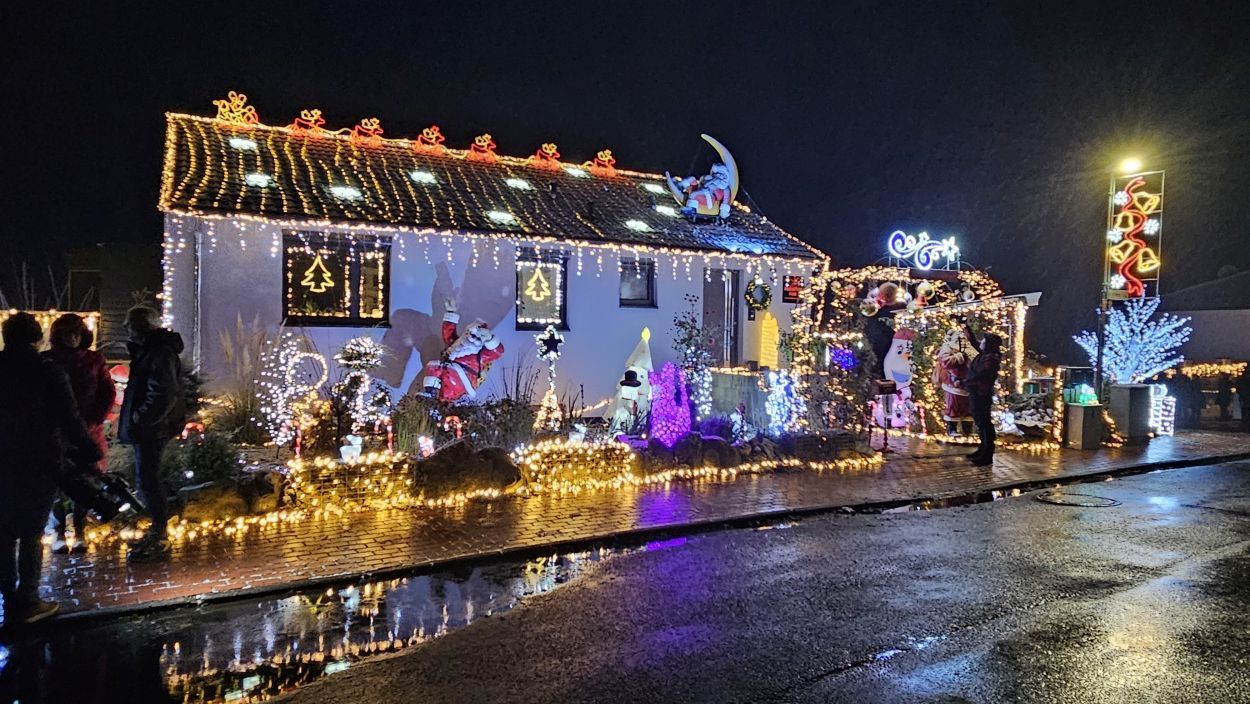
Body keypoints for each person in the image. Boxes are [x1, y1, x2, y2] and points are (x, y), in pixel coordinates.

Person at [0, 313, 102, 624]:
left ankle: (8, 595)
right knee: (32, 530)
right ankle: (28, 599)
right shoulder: (47, 370)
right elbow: (68, 416)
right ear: (37, 338)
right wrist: (87, 449)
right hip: (39, 458)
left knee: (3, 531)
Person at [117, 306, 186, 562]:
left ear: (143, 327)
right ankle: (158, 529)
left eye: (130, 324)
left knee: (148, 478)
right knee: (147, 477)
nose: (126, 329)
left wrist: (141, 419)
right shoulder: (153, 350)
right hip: (153, 426)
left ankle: (159, 532)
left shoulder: (158, 352)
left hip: (153, 428)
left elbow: (163, 392)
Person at [44, 314, 115, 554]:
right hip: (56, 432)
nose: (72, 338)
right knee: (57, 482)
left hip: (88, 429)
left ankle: (81, 528)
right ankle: (58, 529)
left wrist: (96, 418)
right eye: (67, 334)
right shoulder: (48, 361)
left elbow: (107, 392)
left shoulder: (94, 360)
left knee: (87, 479)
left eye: (76, 333)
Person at [963, 324, 1003, 467]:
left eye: (984, 341)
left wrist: (970, 381)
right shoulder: (983, 356)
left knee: (984, 422)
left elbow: (983, 375)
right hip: (976, 392)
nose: (981, 343)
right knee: (981, 422)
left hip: (981, 394)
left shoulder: (990, 359)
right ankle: (982, 449)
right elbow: (972, 343)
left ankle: (987, 453)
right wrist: (965, 326)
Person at [933, 327, 976, 435]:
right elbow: (946, 363)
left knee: (968, 408)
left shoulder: (969, 348)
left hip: (967, 383)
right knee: (954, 407)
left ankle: (967, 430)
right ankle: (952, 429)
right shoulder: (947, 348)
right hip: (953, 384)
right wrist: (960, 356)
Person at [863, 282, 907, 380]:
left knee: (882, 367)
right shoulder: (902, 307)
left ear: (882, 295)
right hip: (898, 344)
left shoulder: (875, 309)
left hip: (879, 342)